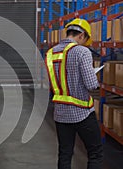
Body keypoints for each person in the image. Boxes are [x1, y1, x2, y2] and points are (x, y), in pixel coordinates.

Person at [45, 18, 103, 169]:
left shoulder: (51, 53)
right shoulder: (82, 51)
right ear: (82, 35)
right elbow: (91, 84)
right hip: (82, 112)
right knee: (95, 152)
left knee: (65, 154)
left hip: (60, 113)